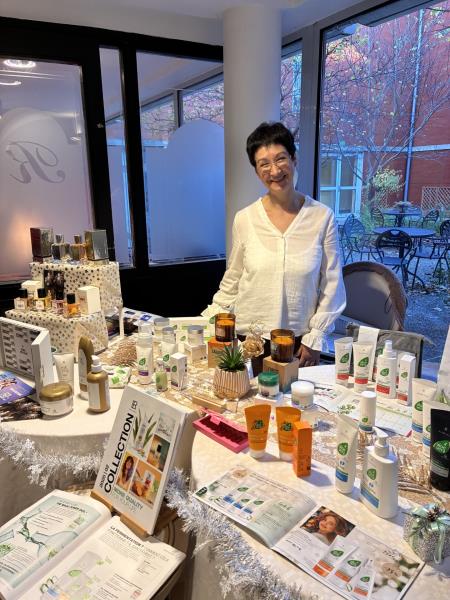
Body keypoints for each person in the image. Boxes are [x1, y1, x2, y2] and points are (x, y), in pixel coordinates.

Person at [205, 121, 346, 373]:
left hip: (298, 343)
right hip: (249, 341)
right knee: (245, 397)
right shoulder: (245, 219)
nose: (274, 170)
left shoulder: (321, 217)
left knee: (296, 399)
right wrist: (209, 320)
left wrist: (317, 336)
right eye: (264, 164)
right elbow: (234, 277)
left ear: (293, 159)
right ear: (256, 171)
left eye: (280, 159)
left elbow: (332, 283)